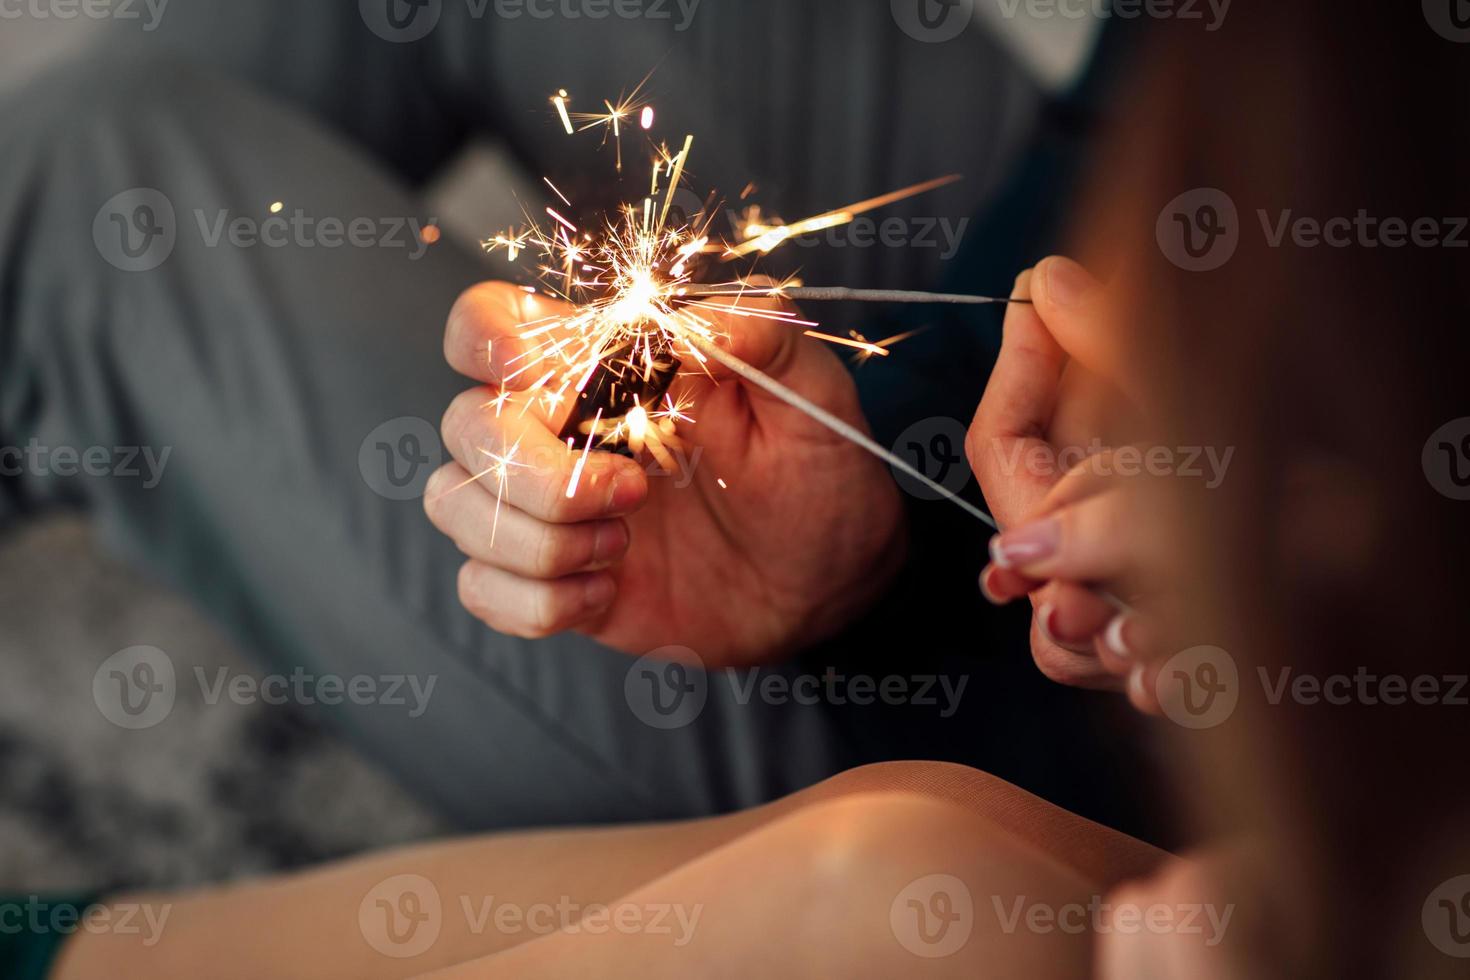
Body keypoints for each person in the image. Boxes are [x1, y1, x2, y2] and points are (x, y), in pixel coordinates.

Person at [10, 1, 1469, 977]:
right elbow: (1155, 130)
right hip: (1017, 574)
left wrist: (1334, 646)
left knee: (92, 183)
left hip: (1150, 784)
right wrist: (882, 493)